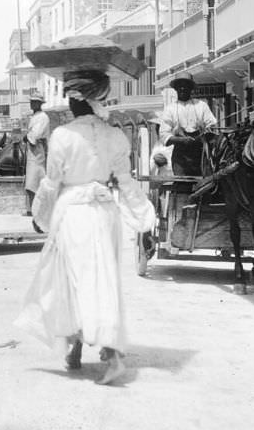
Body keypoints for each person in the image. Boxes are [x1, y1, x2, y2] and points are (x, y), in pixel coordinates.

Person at [15, 70, 156, 386]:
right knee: (101, 279)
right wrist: (144, 215)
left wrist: (40, 214)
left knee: (70, 281)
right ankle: (93, 350)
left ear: (74, 103)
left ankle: (90, 350)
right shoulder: (116, 136)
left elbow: (52, 183)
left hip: (74, 213)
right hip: (105, 212)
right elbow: (126, 182)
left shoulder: (62, 136)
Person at [158, 72, 217, 176]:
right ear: (175, 89)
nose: (182, 89)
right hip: (181, 156)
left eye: (186, 86)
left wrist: (205, 134)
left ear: (191, 88)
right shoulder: (170, 109)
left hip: (200, 153)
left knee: (206, 184)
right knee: (182, 186)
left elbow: (212, 126)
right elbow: (164, 135)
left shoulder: (201, 105)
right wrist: (182, 140)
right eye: (179, 86)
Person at [24, 90, 50, 215]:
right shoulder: (34, 117)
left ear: (39, 103)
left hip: (37, 149)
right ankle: (30, 209)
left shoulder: (42, 117)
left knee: (36, 179)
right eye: (31, 101)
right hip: (31, 150)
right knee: (30, 180)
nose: (32, 104)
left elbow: (37, 134)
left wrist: (27, 136)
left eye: (34, 102)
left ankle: (37, 210)